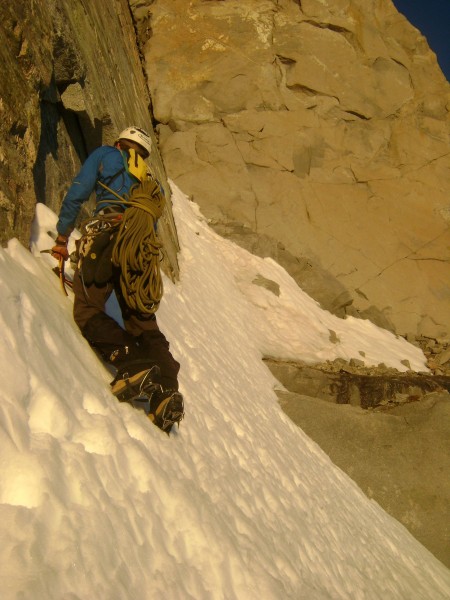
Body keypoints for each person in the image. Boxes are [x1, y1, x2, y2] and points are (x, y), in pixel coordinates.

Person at [51, 126, 183, 433]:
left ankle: (133, 364)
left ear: (119, 143)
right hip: (139, 254)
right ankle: (166, 390)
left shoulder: (106, 156)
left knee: (88, 310)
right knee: (142, 322)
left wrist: (61, 237)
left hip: (108, 238)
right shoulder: (150, 182)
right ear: (144, 153)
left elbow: (78, 192)